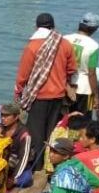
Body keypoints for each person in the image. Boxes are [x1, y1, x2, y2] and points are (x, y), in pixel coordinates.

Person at [14, 13, 78, 168]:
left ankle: (36, 166)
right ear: (53, 26)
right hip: (58, 96)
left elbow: (24, 73)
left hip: (39, 96)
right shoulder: (64, 44)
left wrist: (19, 90)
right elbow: (72, 69)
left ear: (36, 27)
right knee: (52, 131)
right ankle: (51, 164)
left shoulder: (32, 46)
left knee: (35, 133)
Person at [64, 12, 99, 114]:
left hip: (65, 86)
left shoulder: (65, 39)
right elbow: (91, 74)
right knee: (83, 122)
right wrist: (96, 96)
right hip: (85, 90)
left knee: (64, 120)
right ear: (94, 29)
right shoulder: (94, 46)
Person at [0, 103, 34, 189]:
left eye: (7, 116)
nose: (3, 118)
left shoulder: (24, 135)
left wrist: (13, 178)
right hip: (2, 159)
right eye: (2, 115)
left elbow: (24, 158)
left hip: (16, 161)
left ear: (16, 117)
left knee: (27, 179)